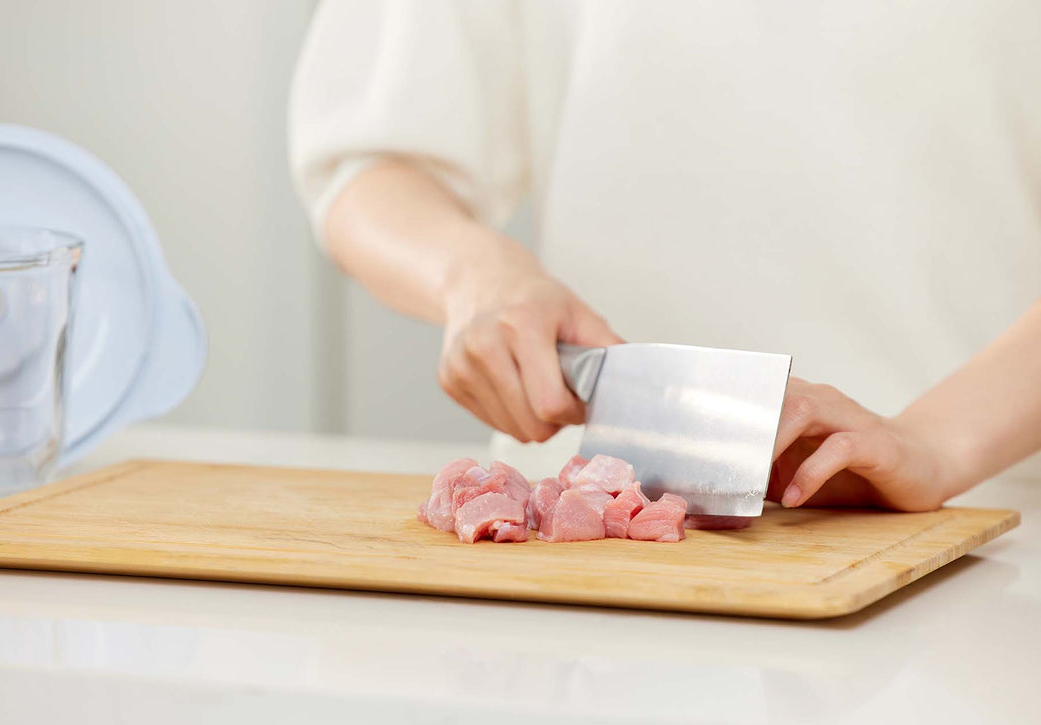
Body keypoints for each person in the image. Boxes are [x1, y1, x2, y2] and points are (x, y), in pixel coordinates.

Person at [288, 1, 1041, 511]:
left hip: (979, 536)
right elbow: (369, 161)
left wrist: (933, 443)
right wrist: (477, 279)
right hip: (578, 536)